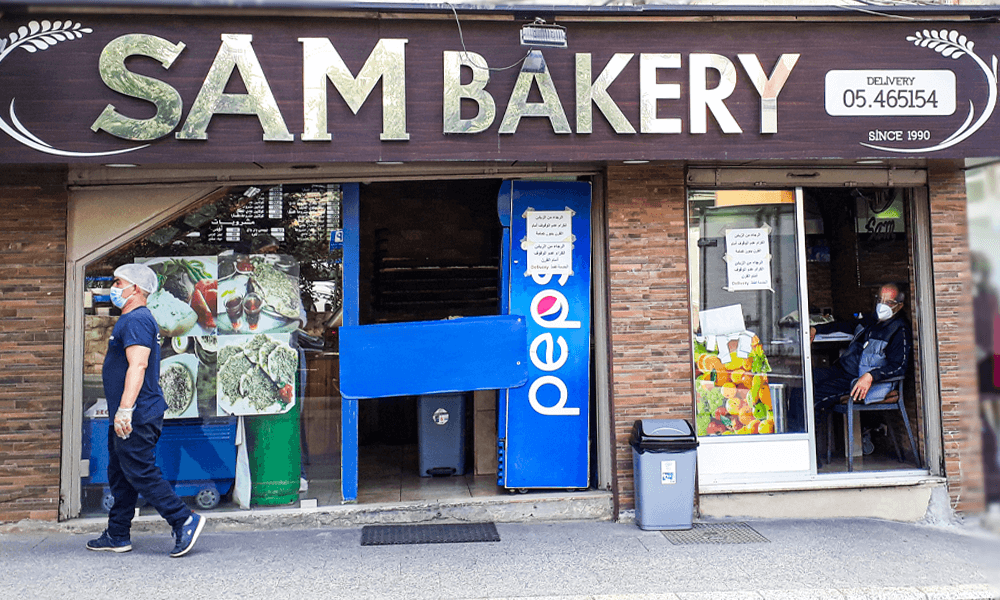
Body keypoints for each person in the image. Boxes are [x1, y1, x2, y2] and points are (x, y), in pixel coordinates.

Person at [87, 263, 205, 557]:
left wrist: (125, 410)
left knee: (139, 471)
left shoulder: (138, 320)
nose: (113, 288)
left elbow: (138, 366)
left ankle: (184, 519)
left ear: (136, 289)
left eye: (117, 282)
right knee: (120, 472)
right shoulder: (132, 319)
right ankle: (118, 533)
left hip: (137, 414)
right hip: (128, 413)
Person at [810, 283, 912, 412]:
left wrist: (871, 376)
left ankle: (810, 431)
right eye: (880, 300)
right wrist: (816, 329)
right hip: (844, 371)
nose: (882, 306)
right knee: (806, 379)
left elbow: (899, 366)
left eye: (889, 303)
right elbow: (845, 325)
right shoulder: (872, 321)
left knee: (812, 396)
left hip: (859, 381)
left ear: (900, 305)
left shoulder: (899, 330)